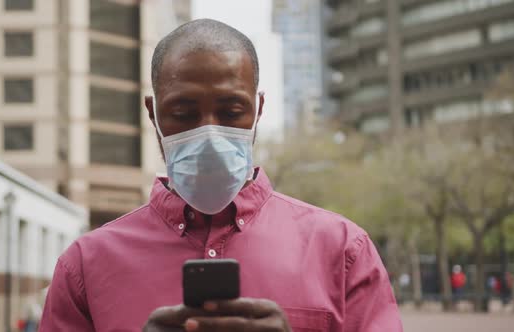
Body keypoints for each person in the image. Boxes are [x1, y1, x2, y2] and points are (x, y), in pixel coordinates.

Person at [39, 19, 402, 332]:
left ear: (257, 109)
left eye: (231, 111)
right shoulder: (85, 267)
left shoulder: (343, 252)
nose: (209, 135)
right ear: (153, 113)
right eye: (183, 113)